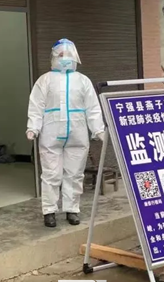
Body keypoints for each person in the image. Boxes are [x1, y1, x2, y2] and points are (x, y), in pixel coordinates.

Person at [27, 39, 105, 228]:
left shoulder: (83, 80)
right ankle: (49, 211)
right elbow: (36, 105)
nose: (65, 58)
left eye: (69, 55)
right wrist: (33, 127)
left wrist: (98, 129)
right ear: (53, 57)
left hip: (77, 133)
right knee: (51, 174)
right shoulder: (45, 80)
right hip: (51, 133)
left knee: (75, 173)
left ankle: (72, 209)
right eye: (61, 54)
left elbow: (93, 107)